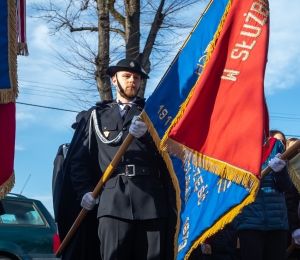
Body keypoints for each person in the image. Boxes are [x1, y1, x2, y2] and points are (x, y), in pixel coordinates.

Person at [57, 59, 177, 260]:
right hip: (113, 202)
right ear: (114, 80)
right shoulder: (96, 116)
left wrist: (148, 136)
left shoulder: (154, 114)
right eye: (127, 76)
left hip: (152, 202)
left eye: (137, 78)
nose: (132, 81)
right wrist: (84, 191)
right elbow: (79, 162)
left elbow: (171, 155)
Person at [235, 137, 292, 260]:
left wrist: (281, 172)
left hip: (277, 223)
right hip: (249, 222)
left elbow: (286, 186)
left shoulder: (275, 145)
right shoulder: (236, 146)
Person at [52, 110, 86, 221]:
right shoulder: (65, 150)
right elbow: (58, 185)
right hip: (72, 211)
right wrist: (59, 214)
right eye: (78, 127)